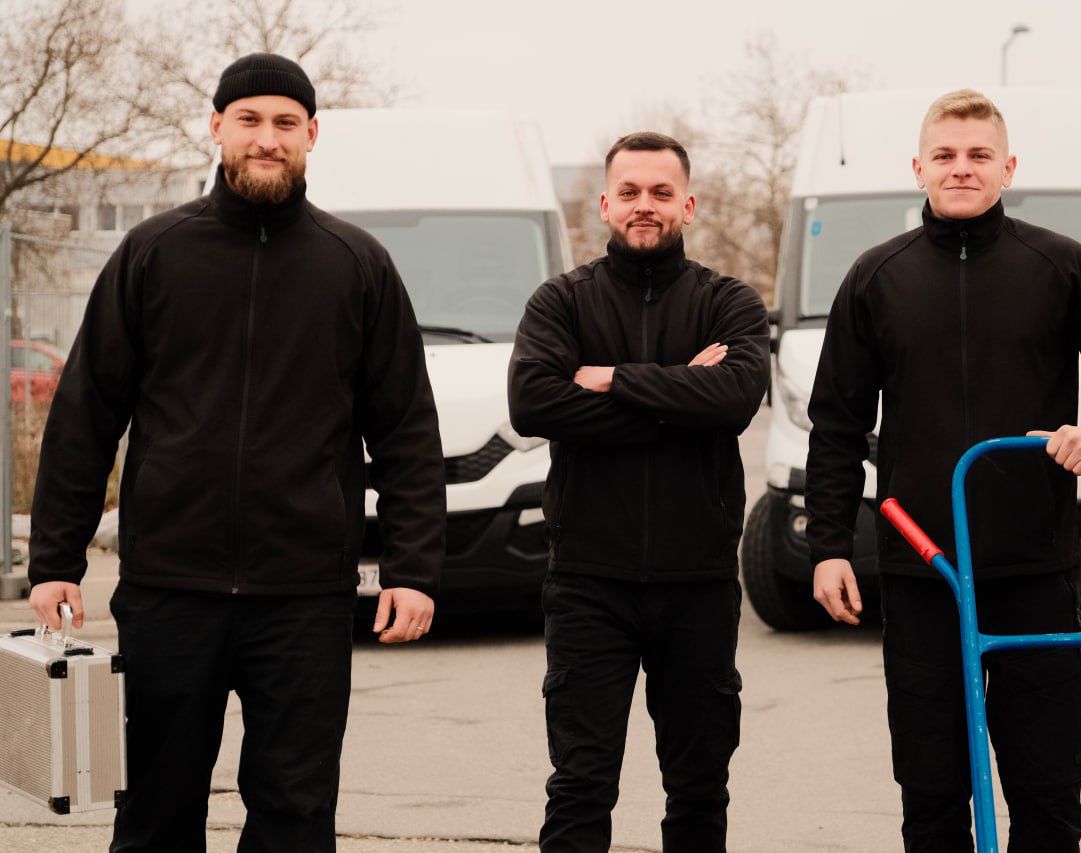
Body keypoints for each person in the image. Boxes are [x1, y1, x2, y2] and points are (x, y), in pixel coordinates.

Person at [27, 52, 446, 852]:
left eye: (286, 123)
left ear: (312, 135)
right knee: (154, 812)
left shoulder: (358, 266)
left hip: (305, 596)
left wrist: (414, 569)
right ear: (216, 127)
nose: (267, 138)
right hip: (167, 591)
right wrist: (55, 558)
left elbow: (405, 432)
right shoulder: (152, 254)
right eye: (249, 119)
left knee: (295, 813)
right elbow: (86, 414)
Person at [805, 89, 1081, 852]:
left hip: (1035, 566)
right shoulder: (877, 277)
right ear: (919, 168)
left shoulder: (1060, 265)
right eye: (945, 155)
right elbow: (837, 423)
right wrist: (830, 545)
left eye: (978, 155)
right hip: (924, 570)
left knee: (1046, 788)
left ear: (1008, 166)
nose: (962, 168)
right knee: (932, 788)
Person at [508, 131, 770, 852]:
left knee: (697, 786)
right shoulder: (561, 301)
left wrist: (611, 378)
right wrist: (682, 392)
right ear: (604, 204)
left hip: (699, 584)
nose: (644, 206)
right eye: (629, 192)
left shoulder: (730, 302)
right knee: (581, 782)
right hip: (589, 582)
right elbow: (533, 404)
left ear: (688, 202)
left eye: (660, 192)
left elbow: (738, 395)